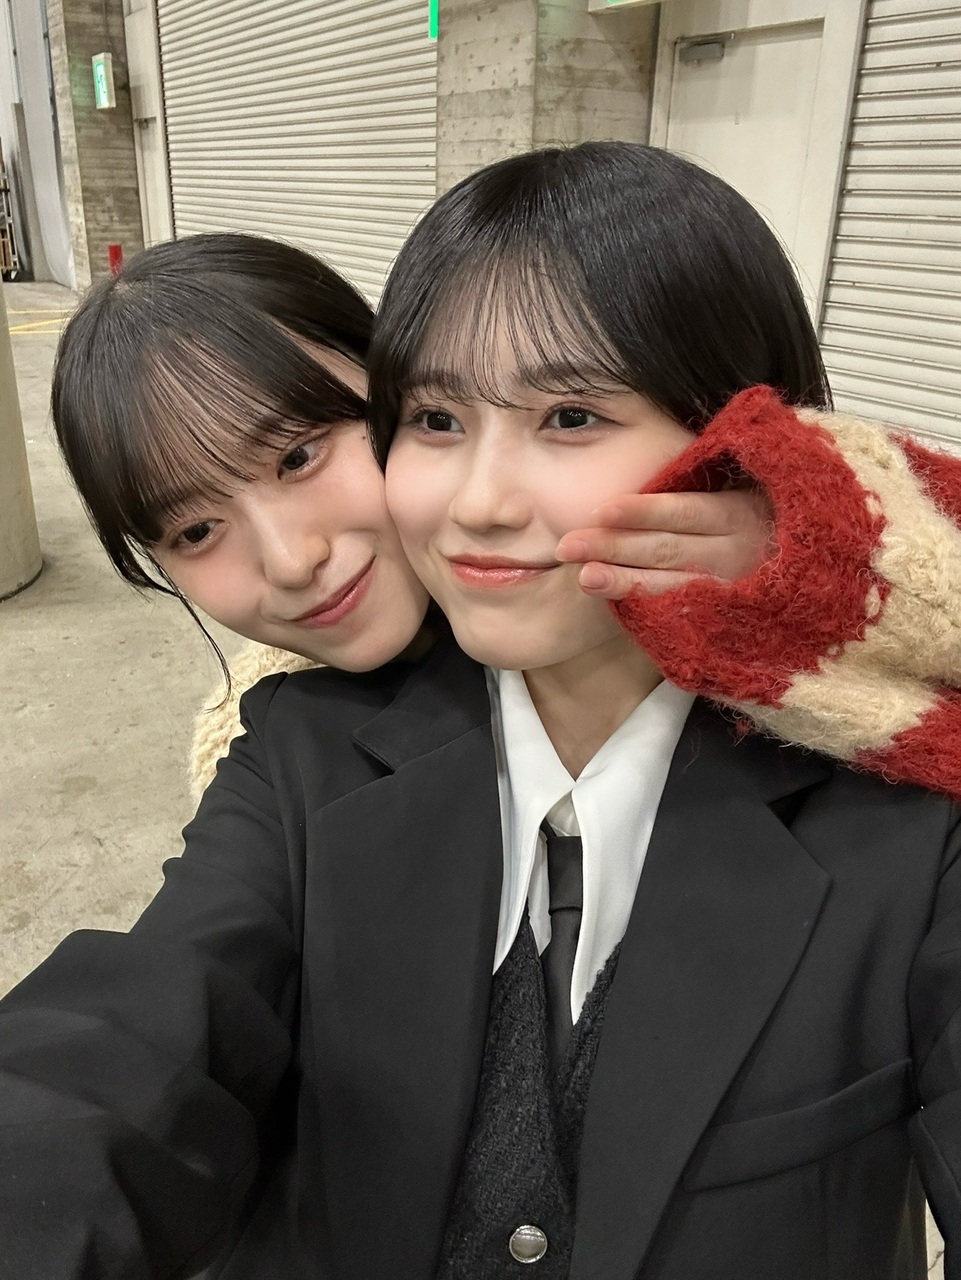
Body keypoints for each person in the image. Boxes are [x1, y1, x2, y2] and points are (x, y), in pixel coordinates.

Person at [1, 143, 960, 1280]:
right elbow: (138, 1036)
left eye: (570, 414)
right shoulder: (295, 753)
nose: (479, 503)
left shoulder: (901, 803)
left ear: (746, 448)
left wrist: (872, 565)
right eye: (438, 419)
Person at [50, 231, 772, 797]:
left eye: (298, 457)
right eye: (196, 531)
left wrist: (796, 568)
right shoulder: (263, 745)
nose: (292, 561)